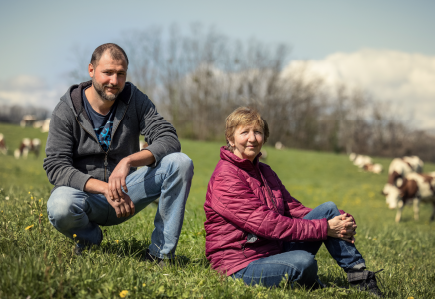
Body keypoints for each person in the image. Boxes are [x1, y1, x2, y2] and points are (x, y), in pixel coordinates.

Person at [204, 107, 383, 296]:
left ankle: (361, 279)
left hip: (272, 251)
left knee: (329, 209)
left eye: (257, 132)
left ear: (264, 138)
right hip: (239, 264)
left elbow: (293, 209)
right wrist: (324, 228)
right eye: (244, 132)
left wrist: (340, 220)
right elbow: (267, 224)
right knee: (303, 261)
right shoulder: (226, 177)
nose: (252, 138)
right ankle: (311, 283)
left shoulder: (265, 172)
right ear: (231, 139)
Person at [44, 43, 194, 264]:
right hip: (85, 195)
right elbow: (56, 166)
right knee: (59, 206)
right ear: (91, 70)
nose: (114, 81)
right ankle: (89, 239)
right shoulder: (67, 109)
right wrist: (105, 189)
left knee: (180, 163)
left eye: (120, 74)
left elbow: (169, 138)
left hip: (127, 192)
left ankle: (160, 254)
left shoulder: (134, 99)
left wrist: (129, 160)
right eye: (107, 73)